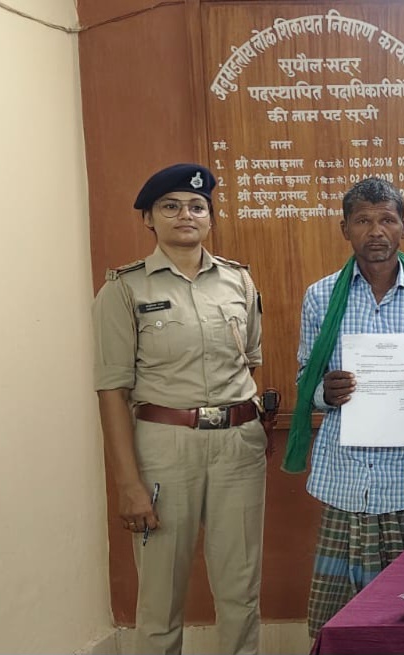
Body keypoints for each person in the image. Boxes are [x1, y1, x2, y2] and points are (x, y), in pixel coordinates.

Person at [92, 163, 267, 654]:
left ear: (210, 217)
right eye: (170, 206)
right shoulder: (124, 289)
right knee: (160, 598)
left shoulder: (238, 281)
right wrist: (129, 484)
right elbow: (111, 390)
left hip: (238, 447)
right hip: (165, 449)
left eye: (196, 206)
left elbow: (251, 358)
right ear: (149, 218)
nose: (185, 215)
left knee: (241, 590)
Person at [282, 177, 404, 638]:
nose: (376, 231)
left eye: (387, 219)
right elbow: (305, 377)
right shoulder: (321, 296)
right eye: (363, 220)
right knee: (343, 623)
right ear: (345, 229)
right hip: (345, 478)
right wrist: (325, 392)